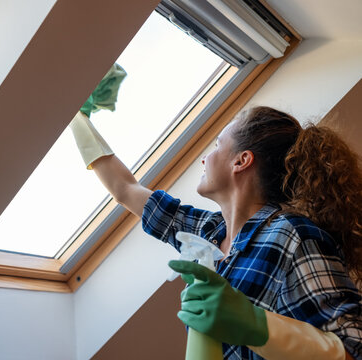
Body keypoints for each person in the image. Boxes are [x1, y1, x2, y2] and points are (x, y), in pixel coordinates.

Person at [69, 66, 362, 360]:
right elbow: (125, 190)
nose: (204, 158)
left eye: (217, 145)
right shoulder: (208, 233)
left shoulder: (292, 234)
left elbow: (354, 348)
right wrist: (77, 116)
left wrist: (257, 326)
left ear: (242, 161)